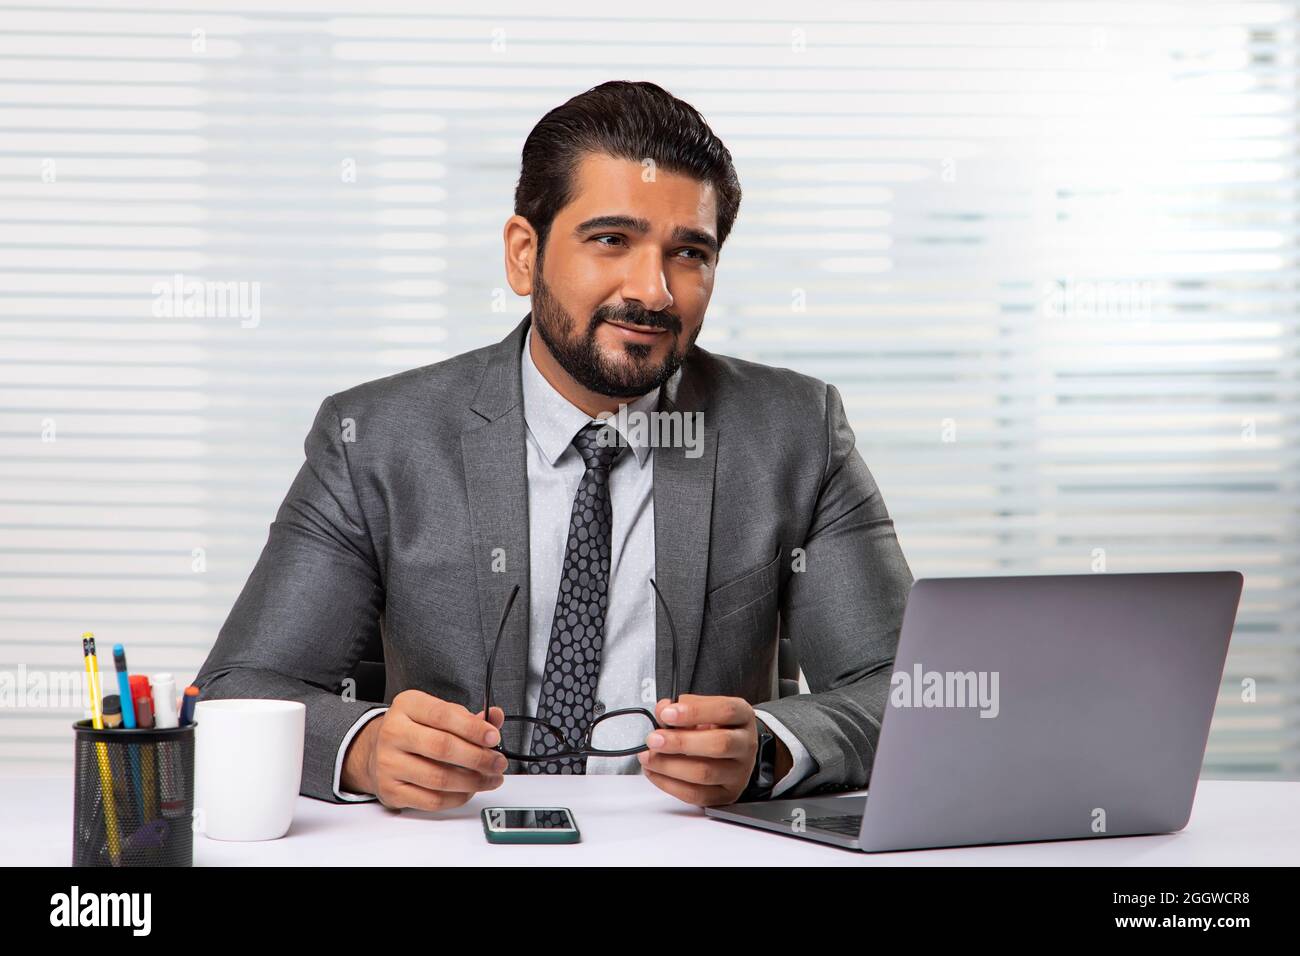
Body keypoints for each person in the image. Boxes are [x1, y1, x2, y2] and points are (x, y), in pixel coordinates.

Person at [195, 80, 913, 812]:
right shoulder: (375, 440)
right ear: (523, 253)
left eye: (689, 252)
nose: (654, 290)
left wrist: (769, 745)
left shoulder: (795, 431)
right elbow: (234, 693)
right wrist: (369, 748)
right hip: (457, 848)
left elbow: (905, 690)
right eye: (612, 240)